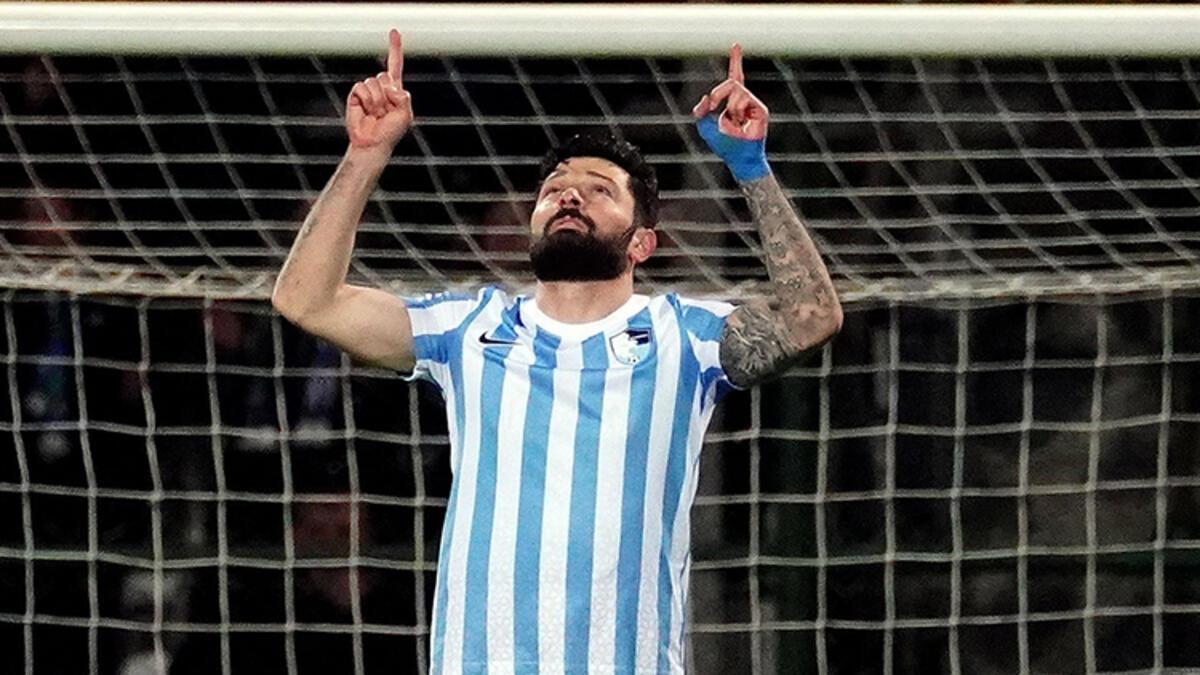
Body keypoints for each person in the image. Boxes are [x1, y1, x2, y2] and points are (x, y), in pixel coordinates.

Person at [272, 29, 842, 675]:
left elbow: (811, 319)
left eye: (600, 189)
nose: (569, 195)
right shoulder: (467, 328)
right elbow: (306, 300)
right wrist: (365, 155)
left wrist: (751, 169)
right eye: (554, 188)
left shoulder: (683, 333)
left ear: (642, 243)